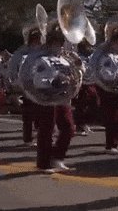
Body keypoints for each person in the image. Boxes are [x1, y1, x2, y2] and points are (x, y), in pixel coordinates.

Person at [35, 23, 76, 173]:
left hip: (63, 98)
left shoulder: (65, 61)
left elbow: (73, 77)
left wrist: (72, 80)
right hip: (48, 98)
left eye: (60, 43)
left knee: (69, 128)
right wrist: (57, 81)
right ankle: (44, 163)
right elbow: (39, 81)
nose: (58, 46)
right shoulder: (43, 61)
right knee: (47, 130)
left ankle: (57, 157)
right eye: (55, 43)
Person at [91, 22, 118, 155]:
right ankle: (110, 145)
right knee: (112, 118)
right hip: (110, 91)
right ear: (112, 43)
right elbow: (106, 74)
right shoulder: (107, 58)